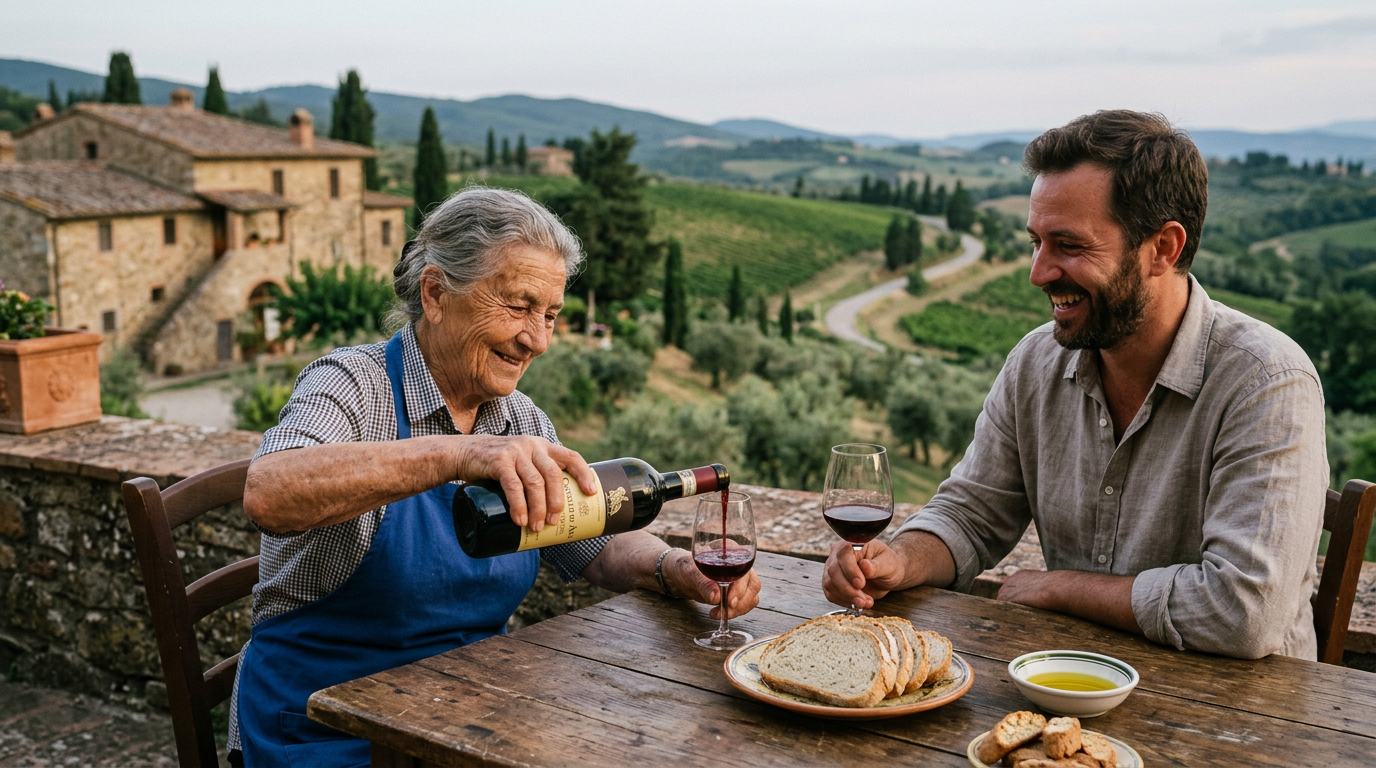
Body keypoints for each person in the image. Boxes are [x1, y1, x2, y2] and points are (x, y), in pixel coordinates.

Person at [229, 187, 761, 767]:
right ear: (435, 294)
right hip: (323, 729)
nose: (538, 339)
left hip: (469, 722)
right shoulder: (351, 385)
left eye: (551, 314)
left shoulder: (521, 419)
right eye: (518, 306)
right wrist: (459, 455)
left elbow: (593, 538)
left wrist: (673, 568)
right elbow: (269, 491)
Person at [823, 110, 1328, 660]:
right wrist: (898, 561)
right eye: (1036, 242)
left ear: (1164, 248)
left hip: (1247, 721)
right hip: (1065, 687)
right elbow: (970, 515)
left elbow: (1243, 613)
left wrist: (1060, 587)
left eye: (1068, 245)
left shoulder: (1267, 382)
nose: (1039, 273)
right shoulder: (1036, 362)